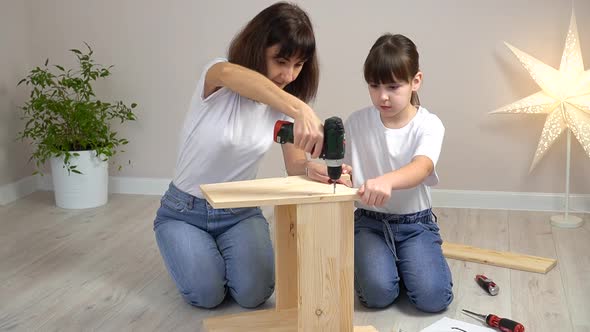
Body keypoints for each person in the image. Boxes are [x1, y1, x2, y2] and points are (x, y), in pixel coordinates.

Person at [153, 2, 324, 309]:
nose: (288, 74)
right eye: (281, 61)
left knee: (255, 294)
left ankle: (217, 250)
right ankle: (191, 249)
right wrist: (300, 108)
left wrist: (318, 171)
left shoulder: (283, 106)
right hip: (184, 212)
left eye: (298, 65)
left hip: (239, 211)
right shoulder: (218, 74)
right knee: (208, 295)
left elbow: (296, 165)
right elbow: (233, 73)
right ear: (259, 48)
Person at [344, 33, 453, 312]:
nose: (382, 96)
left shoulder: (428, 124)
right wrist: (340, 176)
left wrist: (386, 181)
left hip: (415, 224)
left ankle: (405, 265)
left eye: (393, 86)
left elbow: (422, 167)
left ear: (415, 81)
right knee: (377, 296)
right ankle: (391, 267)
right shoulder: (356, 122)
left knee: (434, 299)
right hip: (370, 223)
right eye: (374, 86)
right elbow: (346, 172)